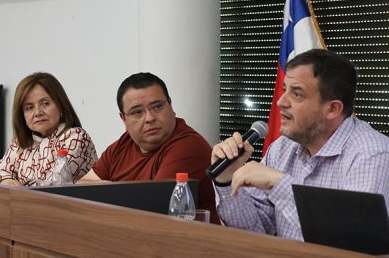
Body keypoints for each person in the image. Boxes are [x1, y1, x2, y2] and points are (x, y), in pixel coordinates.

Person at [211, 49, 389, 239]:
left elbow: (355, 240)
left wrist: (280, 184)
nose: (280, 102)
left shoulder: (372, 154)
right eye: (284, 89)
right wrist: (226, 180)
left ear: (332, 108)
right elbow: (254, 231)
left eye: (296, 94)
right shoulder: (283, 147)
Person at [79, 72, 219, 223]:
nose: (150, 118)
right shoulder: (123, 144)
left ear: (170, 105)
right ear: (123, 118)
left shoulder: (187, 145)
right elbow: (80, 187)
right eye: (137, 112)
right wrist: (113, 191)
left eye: (157, 107)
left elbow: (152, 211)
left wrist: (107, 191)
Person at [0, 72, 98, 186]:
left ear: (61, 105)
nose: (38, 113)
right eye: (29, 107)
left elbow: (52, 186)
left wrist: (17, 187)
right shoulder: (20, 143)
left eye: (45, 103)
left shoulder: (76, 137)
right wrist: (8, 181)